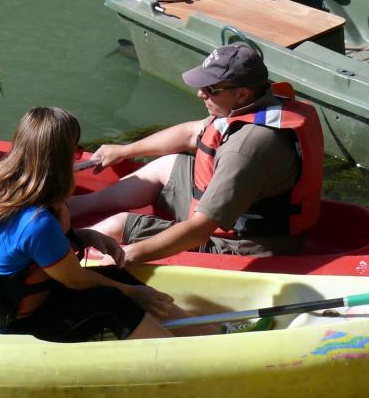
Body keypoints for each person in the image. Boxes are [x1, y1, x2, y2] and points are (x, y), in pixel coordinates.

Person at [68, 43, 323, 264]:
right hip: (242, 206)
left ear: (242, 93)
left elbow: (201, 230)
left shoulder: (244, 149)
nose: (201, 93)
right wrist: (125, 150)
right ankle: (75, 207)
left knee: (118, 225)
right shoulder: (260, 102)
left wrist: (131, 254)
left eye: (211, 89)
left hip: (244, 245)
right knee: (168, 164)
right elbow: (192, 133)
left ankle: (61, 252)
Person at [0, 106, 176, 341]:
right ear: (61, 158)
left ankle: (200, 335)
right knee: (111, 301)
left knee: (114, 276)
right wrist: (134, 293)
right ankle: (181, 358)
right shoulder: (36, 223)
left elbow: (16, 248)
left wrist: (84, 236)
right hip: (1, 329)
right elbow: (76, 280)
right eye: (76, 151)